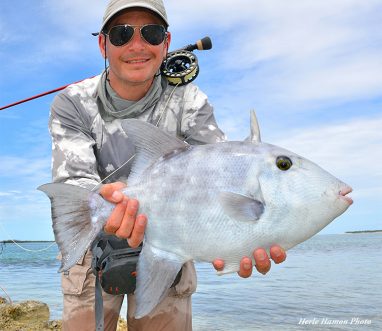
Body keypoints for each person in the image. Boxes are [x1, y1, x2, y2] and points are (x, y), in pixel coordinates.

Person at [48, 0, 287, 330]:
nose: (137, 45)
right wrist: (103, 203)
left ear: (166, 43)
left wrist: (243, 237)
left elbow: (222, 180)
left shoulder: (191, 101)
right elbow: (74, 182)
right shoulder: (72, 101)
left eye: (151, 32)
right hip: (93, 248)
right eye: (121, 34)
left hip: (174, 242)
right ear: (103, 43)